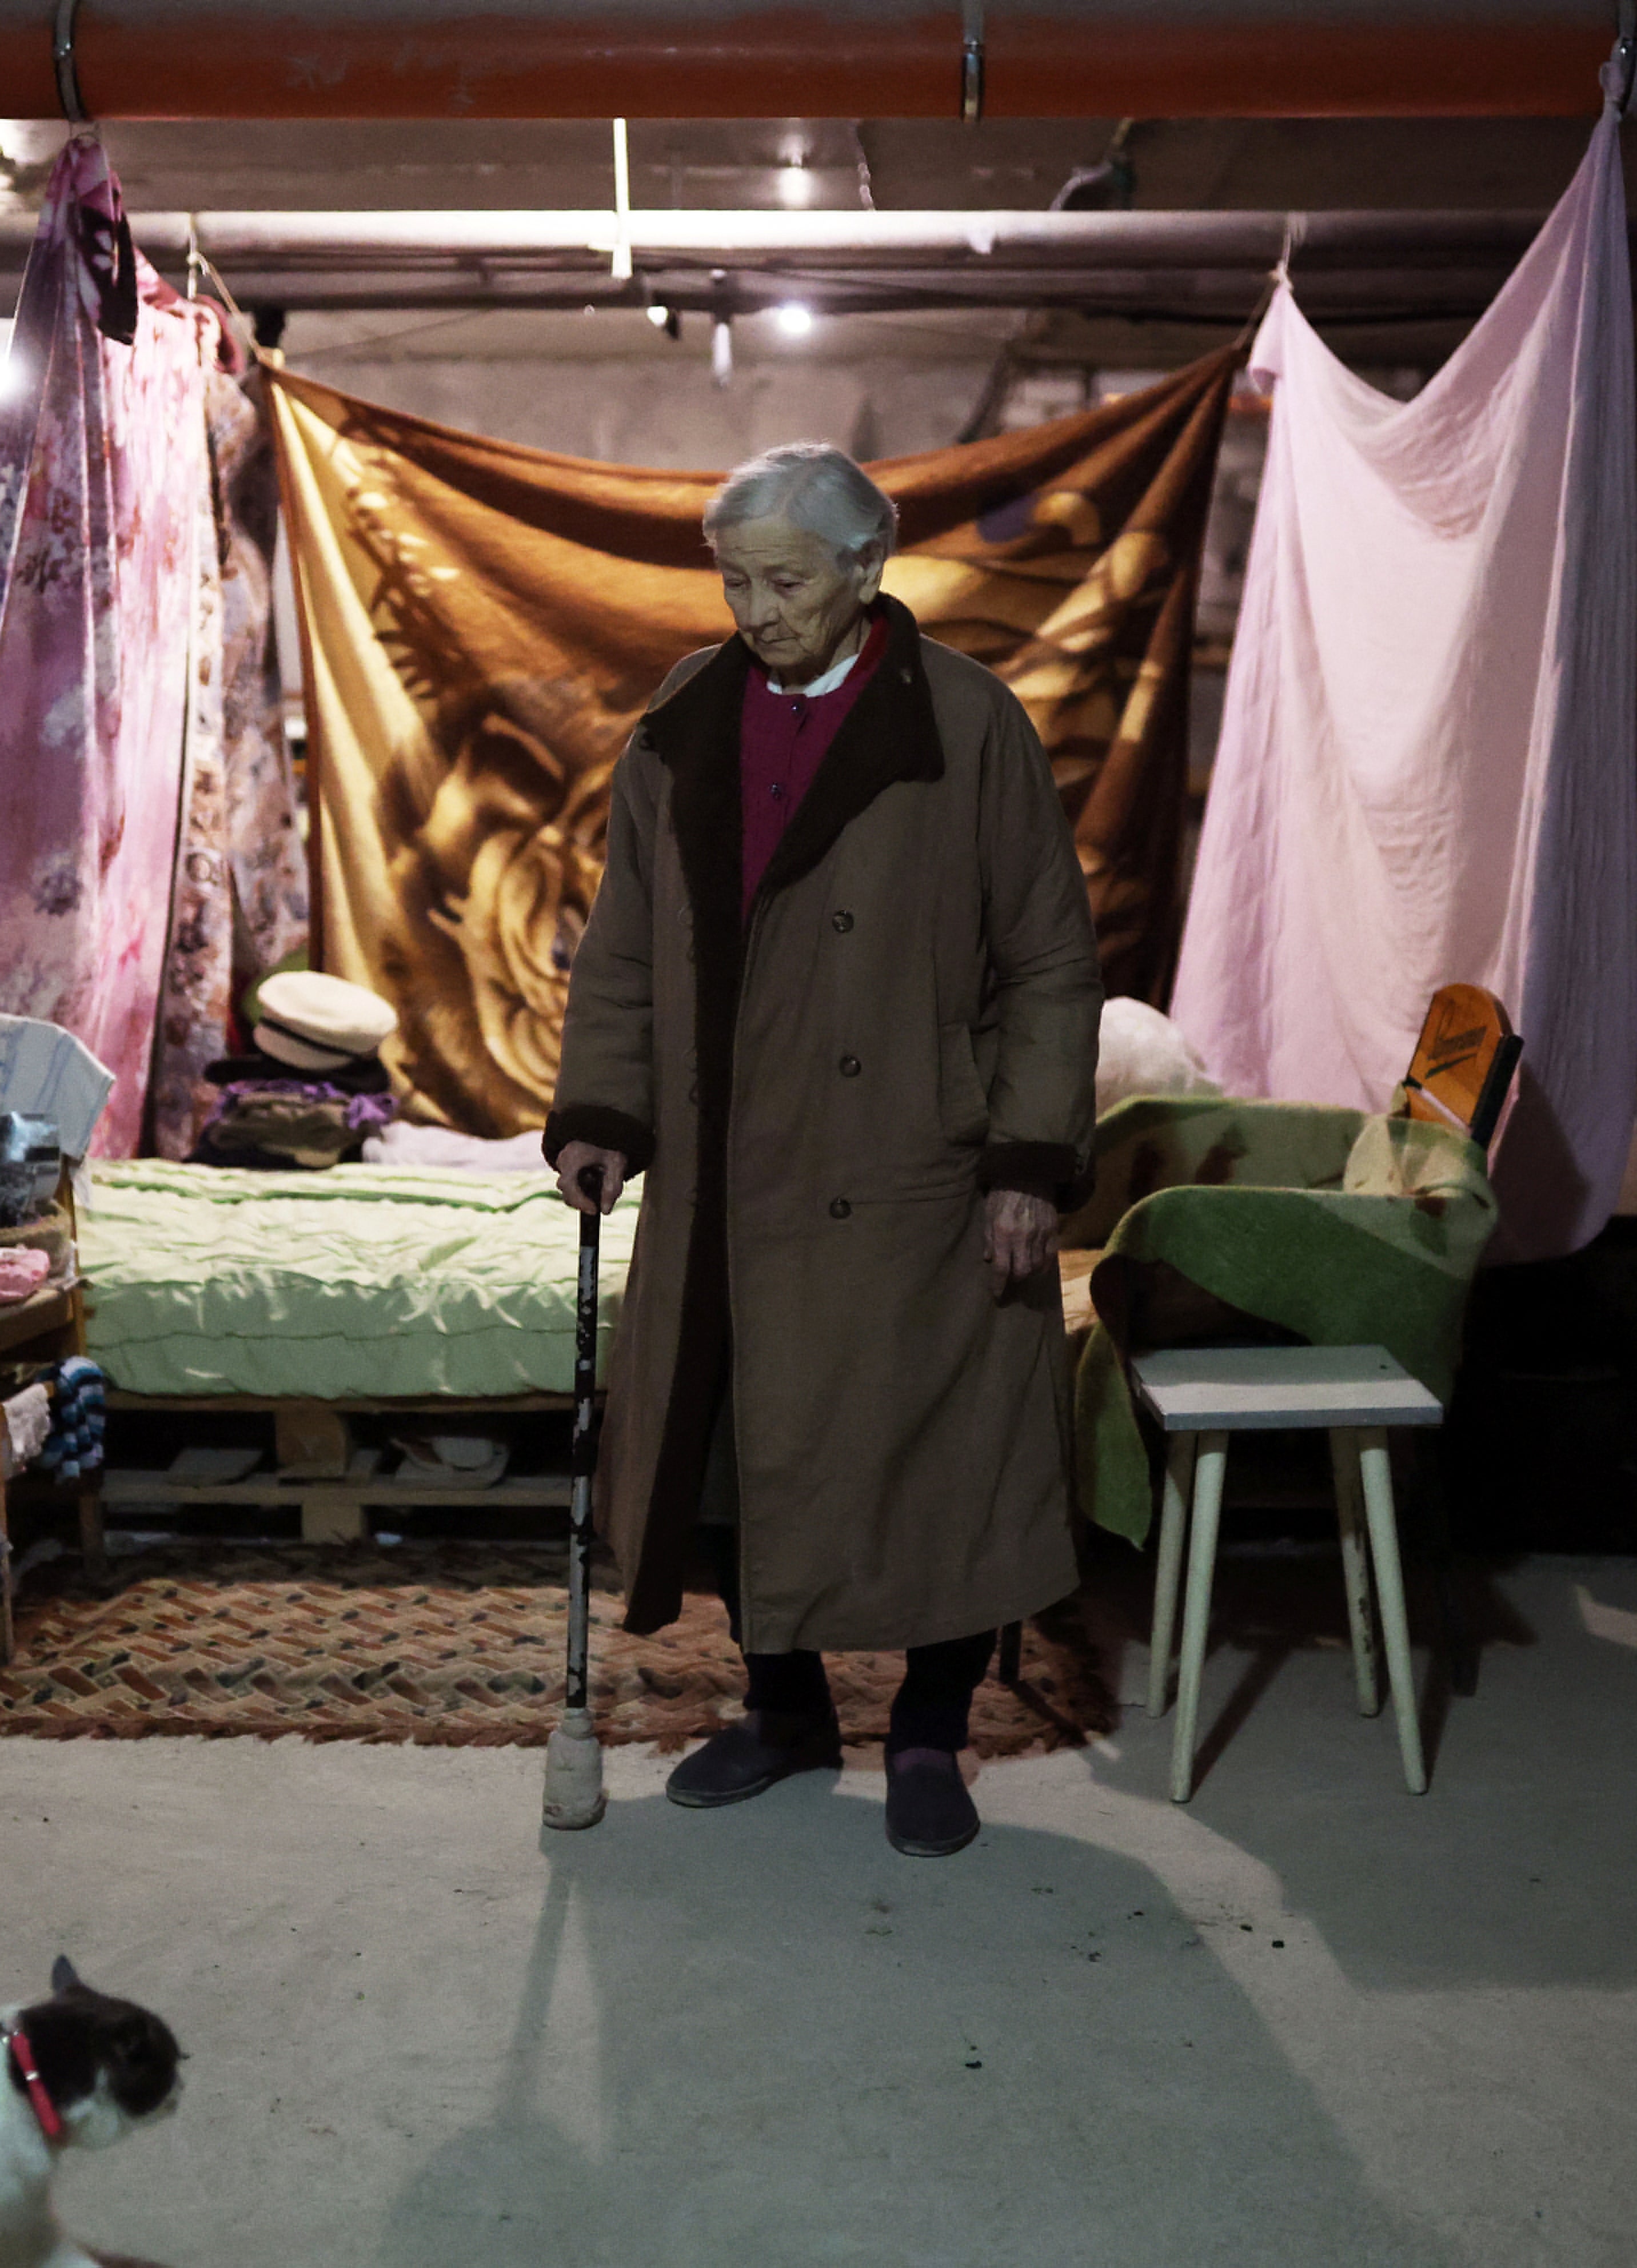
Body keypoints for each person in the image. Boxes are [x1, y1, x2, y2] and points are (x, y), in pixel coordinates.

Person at [545, 441, 1100, 1858]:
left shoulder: (968, 722)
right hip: (735, 1166)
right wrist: (606, 1112)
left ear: (869, 568)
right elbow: (622, 946)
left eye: (784, 579)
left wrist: (1029, 1158)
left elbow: (1048, 959)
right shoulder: (685, 714)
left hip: (914, 1162)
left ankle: (927, 1730)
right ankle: (783, 1711)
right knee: (733, 1451)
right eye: (734, 579)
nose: (753, 607)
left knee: (942, 1462)